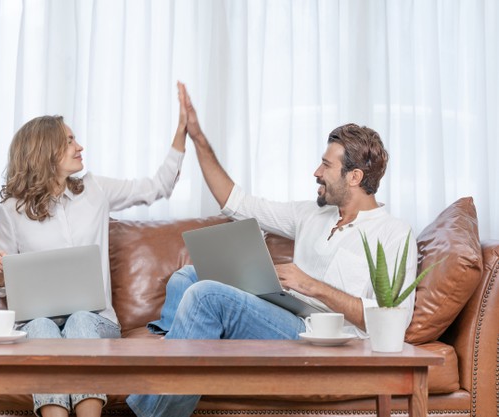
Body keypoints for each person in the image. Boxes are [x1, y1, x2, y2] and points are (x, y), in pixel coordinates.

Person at [126, 84, 418, 417]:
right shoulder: (313, 213)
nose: (316, 172)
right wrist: (198, 138)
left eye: (325, 166)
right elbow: (236, 202)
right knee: (188, 275)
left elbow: (394, 321)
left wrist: (311, 285)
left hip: (325, 340)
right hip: (285, 314)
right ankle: (178, 343)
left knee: (205, 295)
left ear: (354, 177)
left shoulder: (394, 233)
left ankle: (154, 403)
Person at [0, 83, 187, 417]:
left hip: (96, 321)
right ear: (45, 151)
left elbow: (156, 187)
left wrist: (181, 133)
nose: (80, 147)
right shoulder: (13, 209)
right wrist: (1, 276)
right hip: (39, 323)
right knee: (39, 327)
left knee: (80, 320)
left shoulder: (95, 190)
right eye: (69, 141)